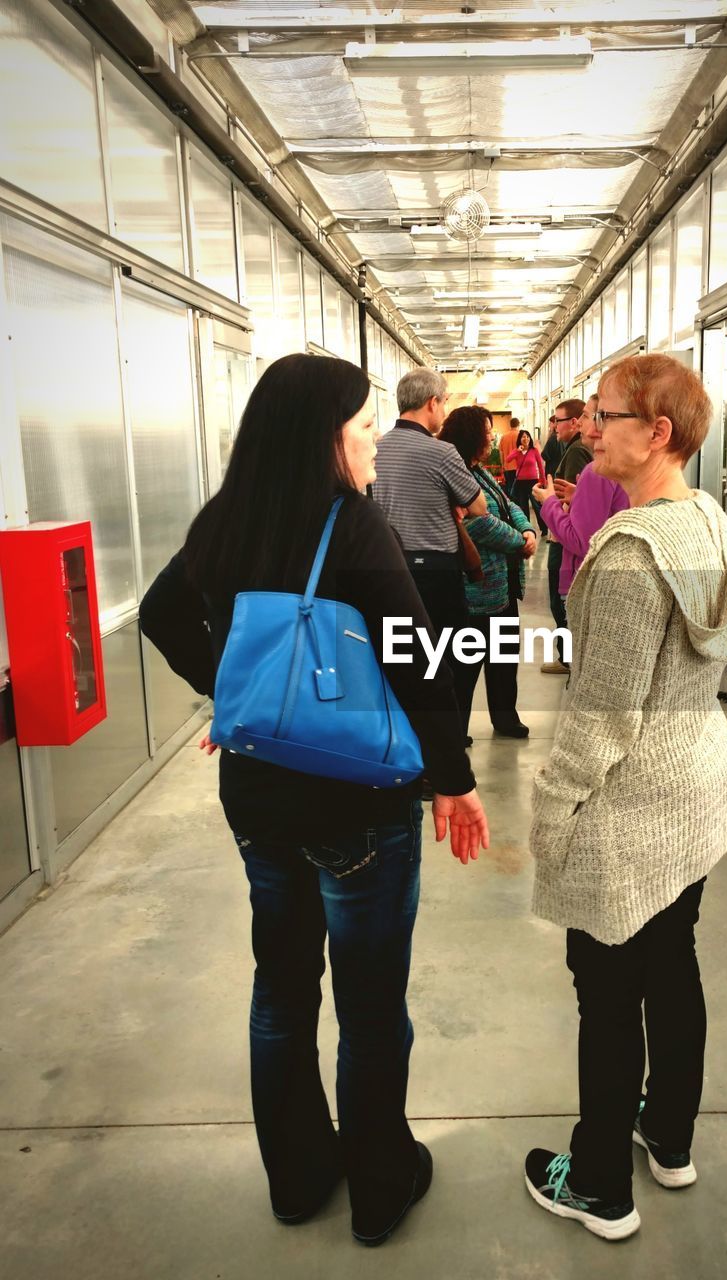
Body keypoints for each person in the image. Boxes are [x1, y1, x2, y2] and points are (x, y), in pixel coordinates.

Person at [138, 354, 489, 1248]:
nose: (374, 441)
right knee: (371, 1007)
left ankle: (296, 1179)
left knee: (282, 990)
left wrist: (237, 696)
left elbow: (161, 614)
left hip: (257, 799)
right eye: (363, 426)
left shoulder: (227, 518)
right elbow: (416, 657)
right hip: (357, 804)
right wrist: (453, 778)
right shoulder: (353, 525)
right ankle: (379, 1186)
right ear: (323, 436)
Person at [524, 354, 727, 1241]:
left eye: (605, 416)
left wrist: (552, 810)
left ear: (656, 433)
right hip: (695, 787)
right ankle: (669, 1136)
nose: (588, 429)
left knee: (609, 989)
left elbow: (601, 716)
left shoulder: (628, 551)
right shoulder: (708, 522)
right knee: (672, 963)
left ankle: (597, 1186)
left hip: (632, 805)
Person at [371, 369, 487, 727]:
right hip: (436, 572)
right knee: (452, 660)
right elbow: (478, 506)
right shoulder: (441, 451)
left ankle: (408, 745)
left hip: (389, 569)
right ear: (432, 403)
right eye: (445, 401)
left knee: (403, 661)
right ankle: (446, 742)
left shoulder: (376, 447)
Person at [439, 406, 537, 741]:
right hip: (476, 590)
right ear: (471, 436)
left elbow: (507, 503)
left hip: (504, 586)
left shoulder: (478, 470)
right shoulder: (455, 472)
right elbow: (474, 521)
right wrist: (517, 542)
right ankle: (456, 731)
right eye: (485, 430)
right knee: (465, 668)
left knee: (504, 659)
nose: (491, 436)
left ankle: (505, 718)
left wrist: (528, 531)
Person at [533, 395, 629, 601]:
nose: (580, 423)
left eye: (585, 416)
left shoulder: (597, 470)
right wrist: (579, 497)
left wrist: (549, 502)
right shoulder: (619, 465)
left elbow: (581, 541)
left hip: (585, 582)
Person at [541, 399, 588, 675]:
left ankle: (569, 660)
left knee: (562, 601)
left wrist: (549, 503)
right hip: (566, 537)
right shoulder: (573, 449)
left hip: (564, 539)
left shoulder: (576, 453)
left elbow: (568, 501)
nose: (553, 426)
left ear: (574, 422)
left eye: (557, 421)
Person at [504, 429, 546, 519]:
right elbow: (507, 459)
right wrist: (517, 451)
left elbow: (540, 466)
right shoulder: (517, 451)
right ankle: (527, 527)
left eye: (527, 437)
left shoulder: (534, 451)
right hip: (521, 482)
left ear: (529, 439)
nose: (526, 438)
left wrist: (543, 481)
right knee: (523, 507)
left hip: (533, 482)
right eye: (523, 437)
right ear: (520, 439)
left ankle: (543, 528)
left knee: (537, 506)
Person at [499, 416, 521, 496]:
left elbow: (501, 452)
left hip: (507, 467)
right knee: (519, 490)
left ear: (510, 425)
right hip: (519, 467)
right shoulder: (520, 436)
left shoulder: (504, 437)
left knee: (509, 488)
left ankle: (510, 506)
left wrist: (502, 465)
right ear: (518, 425)